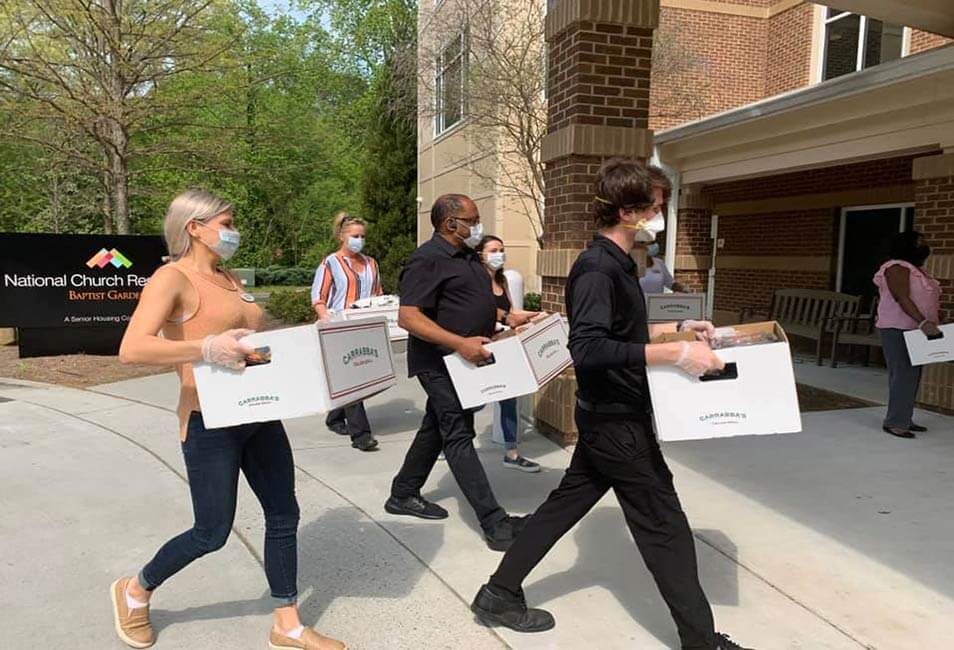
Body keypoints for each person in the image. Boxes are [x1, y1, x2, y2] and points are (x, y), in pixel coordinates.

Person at [471, 160, 751, 650]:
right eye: (657, 209)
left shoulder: (618, 264)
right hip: (617, 422)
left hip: (608, 418)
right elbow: (589, 348)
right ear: (627, 211)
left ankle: (498, 593)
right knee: (665, 529)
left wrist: (680, 332)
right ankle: (701, 643)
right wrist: (674, 353)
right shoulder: (598, 268)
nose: (661, 218)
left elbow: (620, 333)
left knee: (562, 507)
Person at [112, 190, 345, 650]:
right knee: (211, 532)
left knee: (283, 513)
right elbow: (132, 348)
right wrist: (203, 348)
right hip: (208, 421)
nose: (233, 230)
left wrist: (305, 342)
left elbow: (249, 339)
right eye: (226, 221)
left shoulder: (229, 276)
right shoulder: (171, 278)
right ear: (194, 227)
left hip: (259, 412)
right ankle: (135, 589)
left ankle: (287, 624)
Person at [385, 194, 531, 551]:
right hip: (440, 362)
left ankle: (403, 493)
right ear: (451, 224)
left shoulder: (468, 257)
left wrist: (508, 319)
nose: (477, 226)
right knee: (458, 433)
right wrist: (458, 342)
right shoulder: (427, 259)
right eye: (473, 219)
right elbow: (409, 316)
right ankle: (495, 523)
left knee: (437, 425)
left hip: (467, 361)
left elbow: (467, 302)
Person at [311, 211, 383, 452]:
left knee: (357, 376)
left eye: (362, 236)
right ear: (342, 236)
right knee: (354, 377)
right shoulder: (330, 263)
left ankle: (334, 417)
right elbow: (318, 297)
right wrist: (326, 318)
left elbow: (378, 294)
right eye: (354, 235)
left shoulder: (371, 263)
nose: (359, 240)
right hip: (338, 327)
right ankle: (361, 435)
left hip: (364, 326)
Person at [475, 234, 542, 473]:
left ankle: (512, 453)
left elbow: (513, 311)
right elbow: (481, 310)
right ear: (480, 254)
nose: (499, 255)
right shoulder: (475, 281)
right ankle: (444, 441)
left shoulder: (502, 281)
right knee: (473, 402)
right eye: (493, 250)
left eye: (501, 250)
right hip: (479, 347)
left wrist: (536, 315)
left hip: (502, 345)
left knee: (508, 398)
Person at [873, 230, 941, 439]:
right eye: (920, 242)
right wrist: (923, 322)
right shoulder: (896, 268)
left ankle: (904, 417)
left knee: (913, 375)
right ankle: (895, 422)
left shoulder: (916, 270)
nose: (925, 245)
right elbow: (902, 297)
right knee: (902, 374)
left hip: (917, 330)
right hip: (898, 328)